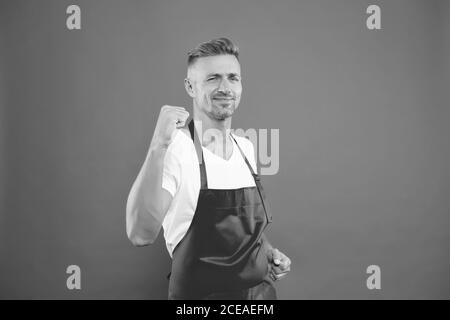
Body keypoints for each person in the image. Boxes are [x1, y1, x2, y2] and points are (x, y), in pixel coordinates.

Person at [126, 37, 291, 300]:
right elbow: (139, 233)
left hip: (259, 298)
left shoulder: (245, 148)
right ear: (190, 87)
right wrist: (158, 144)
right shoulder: (176, 150)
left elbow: (243, 229)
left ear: (241, 85)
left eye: (232, 78)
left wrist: (266, 252)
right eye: (213, 78)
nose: (225, 87)